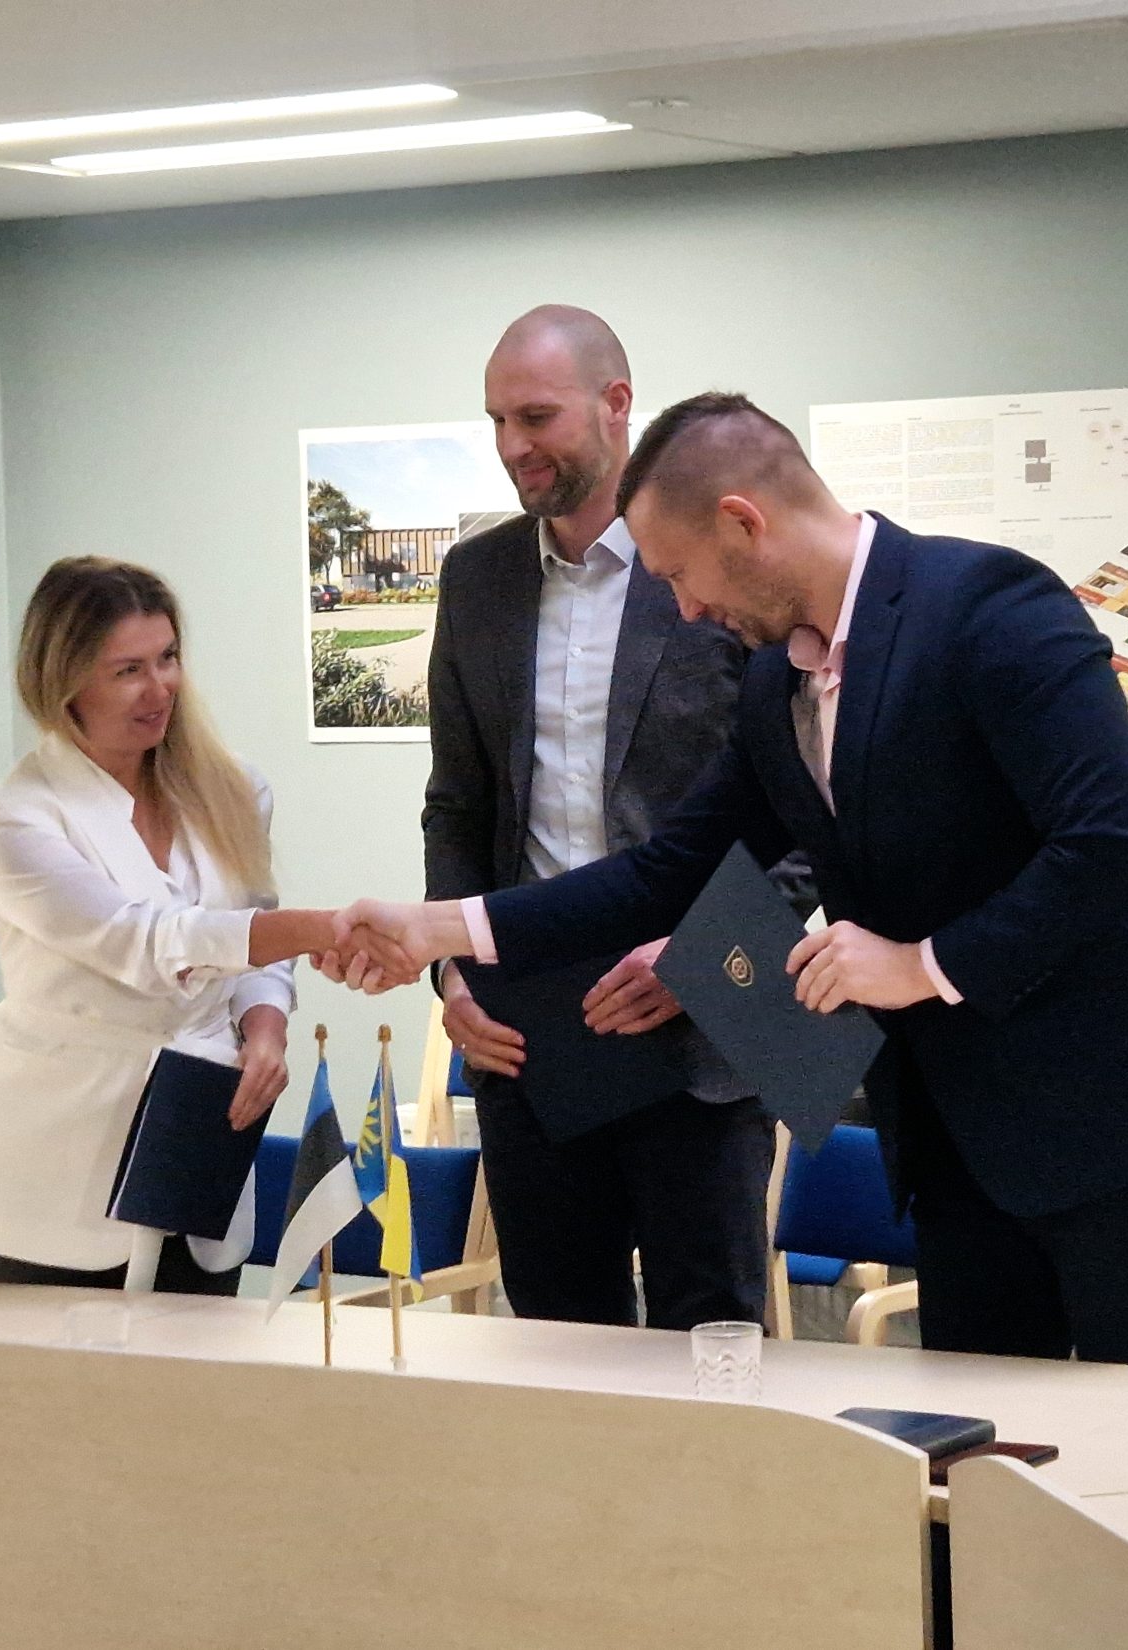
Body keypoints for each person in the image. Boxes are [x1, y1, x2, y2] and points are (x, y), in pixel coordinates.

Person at [337, 393, 1128, 1368]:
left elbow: (1114, 848)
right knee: (989, 1431)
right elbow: (666, 873)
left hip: (1120, 1108)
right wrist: (441, 930)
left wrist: (921, 964)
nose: (685, 609)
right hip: (955, 1128)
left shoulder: (990, 602)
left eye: (680, 575)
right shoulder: (775, 681)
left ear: (741, 522)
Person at [421, 306, 797, 1331]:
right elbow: (457, 802)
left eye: (536, 417)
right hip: (530, 1030)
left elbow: (803, 815)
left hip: (705, 1012)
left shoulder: (716, 568)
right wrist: (452, 970)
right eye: (497, 421)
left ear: (616, 403)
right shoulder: (477, 580)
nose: (513, 446)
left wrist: (703, 955)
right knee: (555, 1341)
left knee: (712, 1339)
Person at [0, 556, 374, 1293]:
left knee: (197, 1360)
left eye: (168, 658)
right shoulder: (13, 824)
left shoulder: (235, 789)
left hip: (200, 1144)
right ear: (64, 681)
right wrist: (325, 927)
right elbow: (151, 943)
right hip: (50, 1166)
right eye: (128, 670)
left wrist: (265, 1030)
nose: (160, 686)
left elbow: (254, 937)